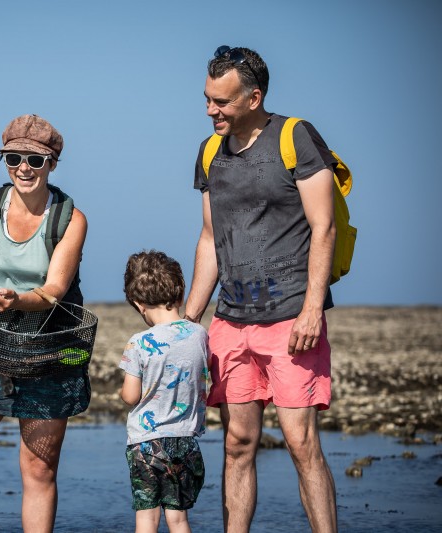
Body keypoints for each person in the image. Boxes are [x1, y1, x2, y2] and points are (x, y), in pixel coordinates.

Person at [184, 45, 338, 532]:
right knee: (237, 444)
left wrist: (313, 309)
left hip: (292, 316)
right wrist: (188, 321)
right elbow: (210, 239)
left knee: (300, 442)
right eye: (208, 99)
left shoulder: (296, 137)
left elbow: (324, 227)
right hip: (232, 320)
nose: (211, 110)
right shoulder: (210, 152)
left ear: (254, 98)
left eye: (222, 102)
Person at [0, 114, 89, 533]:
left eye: (34, 160)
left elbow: (52, 291)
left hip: (48, 353)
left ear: (52, 164)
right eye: (12, 158)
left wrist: (13, 300)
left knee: (39, 468)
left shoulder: (70, 219)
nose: (23, 167)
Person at [120, 250, 209, 533]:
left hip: (146, 445)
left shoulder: (139, 343)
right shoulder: (199, 334)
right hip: (185, 441)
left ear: (138, 304)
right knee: (179, 518)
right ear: (180, 295)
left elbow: (131, 396)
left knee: (146, 517)